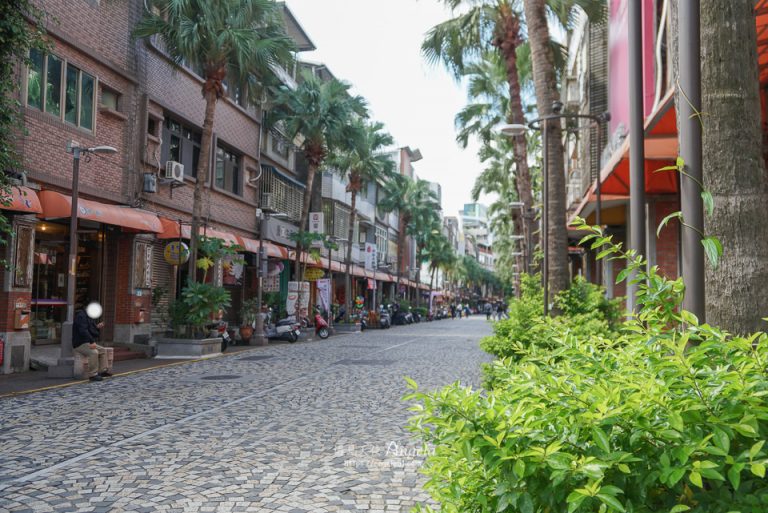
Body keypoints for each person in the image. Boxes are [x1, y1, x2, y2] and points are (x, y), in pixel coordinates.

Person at [72, 304, 110, 381]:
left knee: (102, 350)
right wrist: (92, 341)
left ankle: (102, 371)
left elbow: (92, 331)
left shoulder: (88, 317)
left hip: (87, 342)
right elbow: (83, 331)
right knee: (94, 352)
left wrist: (97, 327)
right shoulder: (81, 316)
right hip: (80, 343)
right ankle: (93, 375)